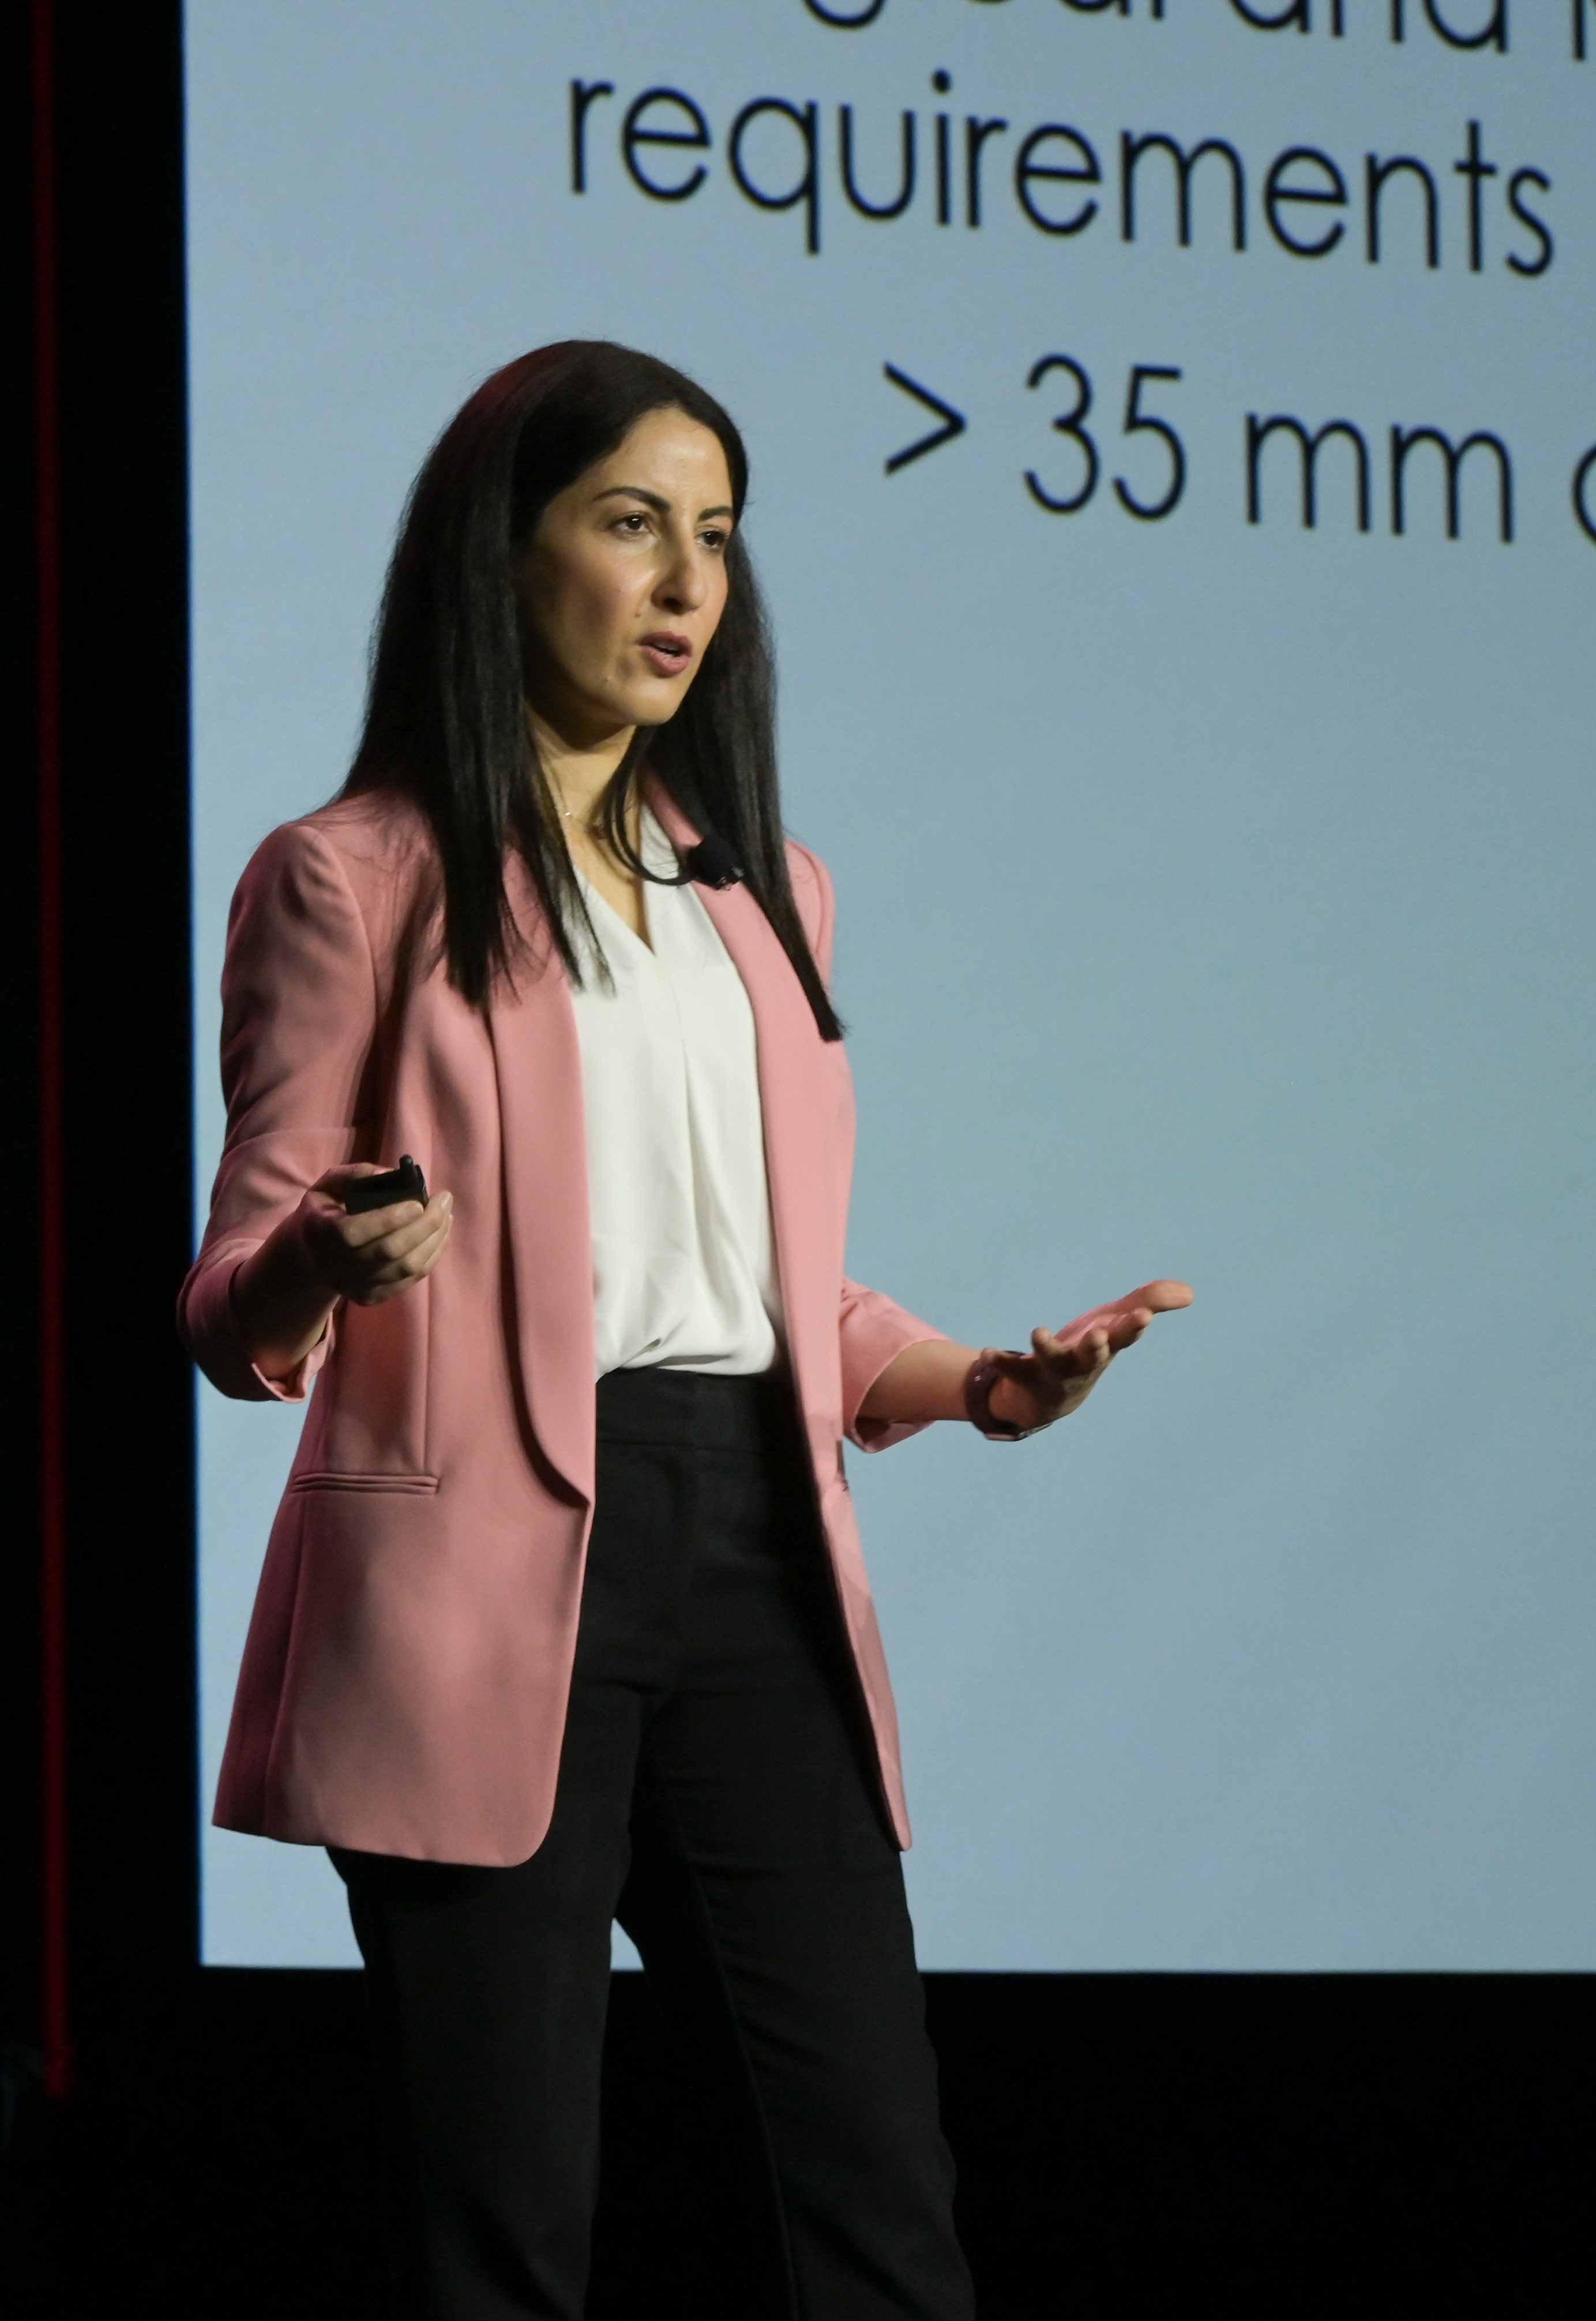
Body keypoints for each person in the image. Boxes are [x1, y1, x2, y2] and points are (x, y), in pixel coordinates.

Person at [180, 339, 1192, 2321]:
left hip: (757, 1556)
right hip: (477, 1577)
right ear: (504, 554)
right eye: (630, 524)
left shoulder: (763, 892)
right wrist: (333, 1254)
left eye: (714, 539)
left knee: (881, 2194)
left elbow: (773, 1288)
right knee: (510, 2227)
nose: (682, 587)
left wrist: (978, 1382)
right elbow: (229, 1304)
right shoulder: (352, 879)